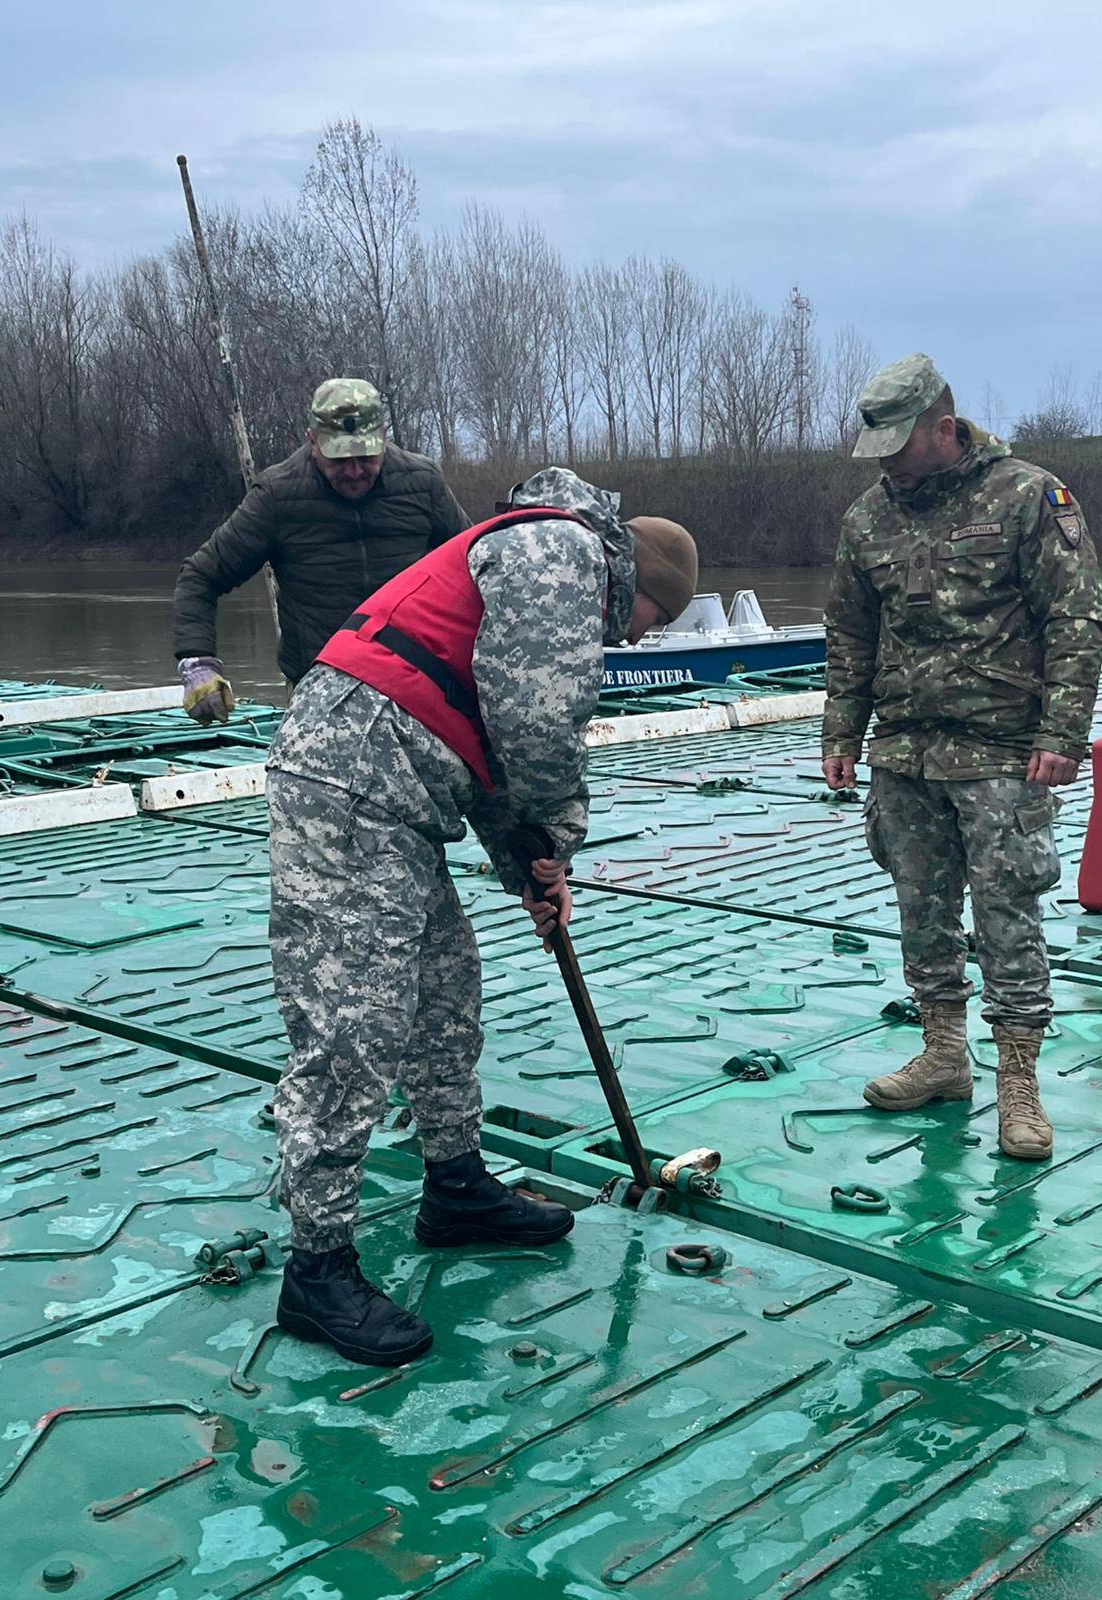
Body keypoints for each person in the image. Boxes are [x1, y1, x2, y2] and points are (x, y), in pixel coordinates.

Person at [265, 467, 698, 1366]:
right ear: (637, 584)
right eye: (648, 621)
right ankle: (316, 1269)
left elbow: (492, 739)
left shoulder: (550, 554)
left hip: (398, 791)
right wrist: (556, 833)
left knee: (444, 991)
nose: (631, 639)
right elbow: (535, 723)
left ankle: (455, 1187)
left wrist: (529, 867)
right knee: (354, 1029)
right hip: (350, 782)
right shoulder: (565, 553)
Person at [822, 353, 1102, 1162]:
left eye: (898, 445)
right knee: (922, 909)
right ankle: (944, 1054)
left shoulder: (1027, 497)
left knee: (1007, 911)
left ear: (943, 429)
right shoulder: (866, 520)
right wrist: (842, 733)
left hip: (1001, 752)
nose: (885, 464)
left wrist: (1061, 735)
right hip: (905, 751)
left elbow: (1075, 620)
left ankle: (1018, 1079)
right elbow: (850, 632)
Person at [173, 379, 470, 719]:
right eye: (339, 459)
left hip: (415, 683)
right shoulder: (278, 495)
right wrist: (198, 663)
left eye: (365, 456)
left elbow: (474, 567)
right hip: (320, 687)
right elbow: (200, 576)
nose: (354, 471)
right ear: (312, 441)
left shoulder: (422, 483)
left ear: (384, 436)